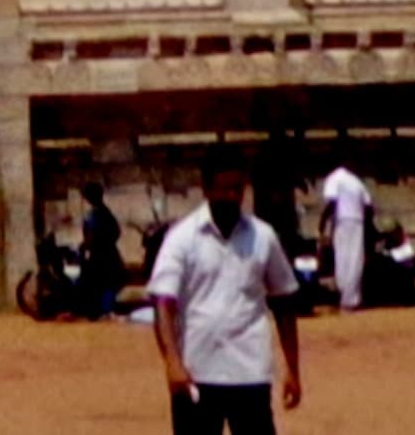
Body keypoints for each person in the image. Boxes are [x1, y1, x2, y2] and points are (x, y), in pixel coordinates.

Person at [148, 156, 306, 433]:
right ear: (207, 190)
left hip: (249, 372)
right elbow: (163, 302)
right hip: (197, 373)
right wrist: (172, 362)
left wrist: (292, 368)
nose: (232, 196)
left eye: (237, 188)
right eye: (223, 189)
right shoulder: (182, 238)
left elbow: (283, 302)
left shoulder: (263, 236)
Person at [314, 158, 372, 317]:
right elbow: (368, 205)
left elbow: (332, 202)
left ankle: (344, 299)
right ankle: (351, 300)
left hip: (342, 221)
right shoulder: (357, 182)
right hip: (357, 221)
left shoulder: (334, 178)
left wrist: (323, 221)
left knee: (342, 259)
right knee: (355, 260)